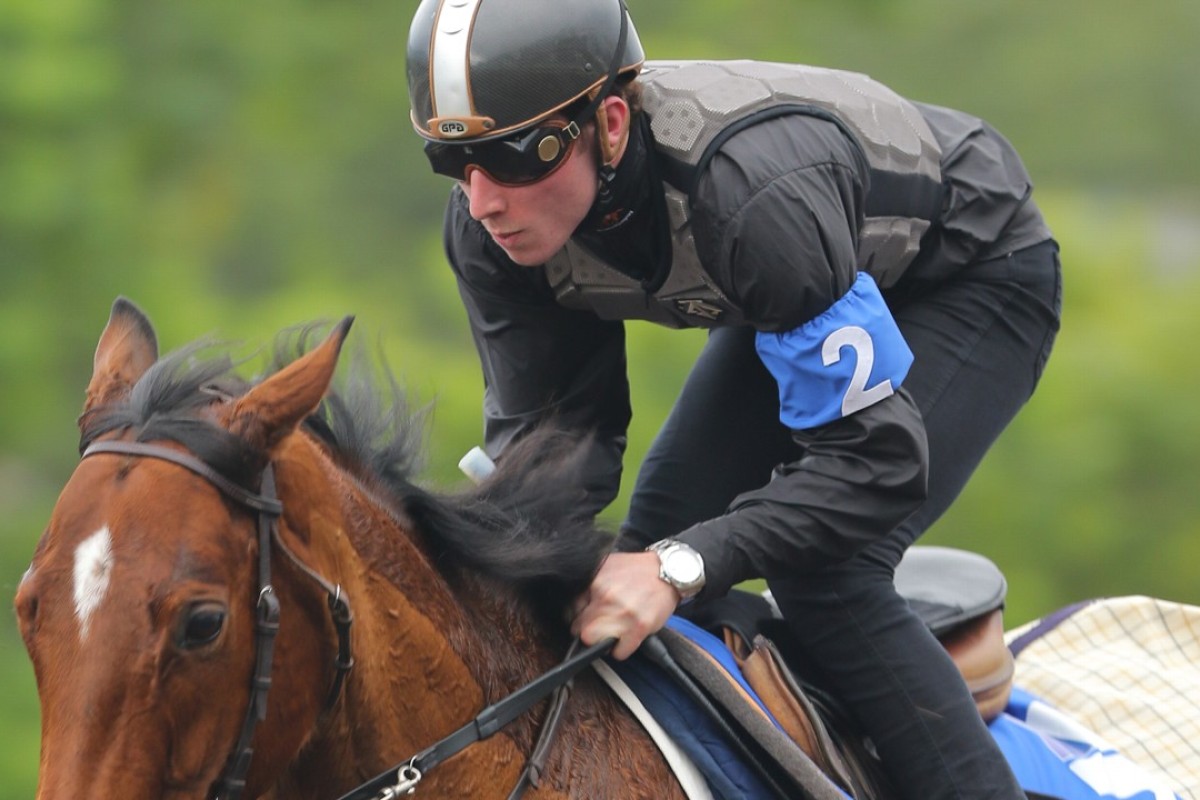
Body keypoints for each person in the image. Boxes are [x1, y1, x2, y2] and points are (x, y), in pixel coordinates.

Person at [405, 0, 1061, 797]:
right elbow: (557, 458)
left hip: (970, 275)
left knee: (826, 571)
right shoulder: (488, 232)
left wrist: (683, 566)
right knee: (630, 571)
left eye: (511, 158)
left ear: (610, 123)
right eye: (453, 164)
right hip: (799, 290)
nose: (483, 202)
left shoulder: (749, 200)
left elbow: (876, 464)